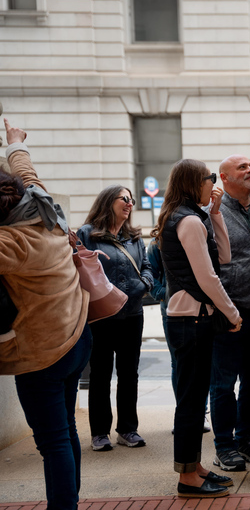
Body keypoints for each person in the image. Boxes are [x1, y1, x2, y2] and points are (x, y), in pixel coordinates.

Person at [0, 118, 92, 510]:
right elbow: (27, 174)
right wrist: (15, 144)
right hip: (76, 337)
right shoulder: (43, 208)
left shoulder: (13, 241)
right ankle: (70, 499)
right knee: (66, 430)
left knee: (53, 441)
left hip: (43, 355)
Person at [151, 158, 242, 498]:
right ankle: (187, 479)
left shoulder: (193, 217)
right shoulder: (188, 220)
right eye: (210, 178)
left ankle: (194, 468)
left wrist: (216, 212)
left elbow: (225, 256)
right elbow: (208, 277)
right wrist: (232, 313)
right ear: (194, 182)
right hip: (191, 321)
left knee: (193, 398)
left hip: (191, 320)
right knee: (191, 402)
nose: (213, 183)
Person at [209, 155, 250, 471]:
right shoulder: (213, 214)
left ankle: (247, 439)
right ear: (224, 177)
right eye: (242, 168)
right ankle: (225, 446)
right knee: (223, 383)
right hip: (228, 313)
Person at [78, 185, 153, 452]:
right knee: (99, 374)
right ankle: (99, 433)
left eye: (131, 200)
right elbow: (78, 267)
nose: (130, 203)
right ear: (109, 201)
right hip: (101, 316)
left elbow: (146, 264)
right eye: (124, 198)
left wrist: (145, 283)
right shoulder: (87, 234)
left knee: (129, 374)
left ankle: (127, 430)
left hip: (132, 313)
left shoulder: (133, 236)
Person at [147, 239, 211, 435]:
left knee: (202, 362)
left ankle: (199, 414)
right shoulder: (158, 242)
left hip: (201, 309)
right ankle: (184, 415)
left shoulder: (197, 233)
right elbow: (150, 274)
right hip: (172, 311)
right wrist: (164, 294)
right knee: (179, 363)